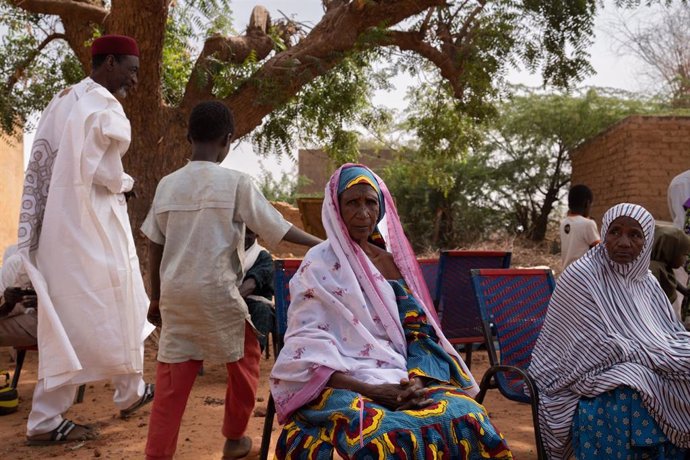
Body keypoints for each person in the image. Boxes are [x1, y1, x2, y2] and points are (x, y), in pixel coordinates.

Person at [269, 164, 513, 459]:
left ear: (381, 208)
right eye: (352, 203)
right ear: (335, 208)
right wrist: (373, 391)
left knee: (469, 416)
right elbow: (305, 349)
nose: (363, 213)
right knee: (381, 437)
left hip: (399, 375)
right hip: (341, 382)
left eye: (370, 203)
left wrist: (416, 382)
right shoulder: (317, 265)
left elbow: (419, 333)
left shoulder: (389, 264)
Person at [141, 101, 322, 460]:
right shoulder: (236, 182)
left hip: (175, 296)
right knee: (246, 360)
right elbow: (278, 228)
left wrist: (156, 298)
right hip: (218, 293)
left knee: (171, 382)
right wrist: (325, 244)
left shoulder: (167, 185)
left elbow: (154, 245)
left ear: (188, 136)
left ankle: (157, 454)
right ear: (228, 139)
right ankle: (235, 438)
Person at [16, 35, 155, 445]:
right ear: (109, 62)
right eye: (130, 69)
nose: (134, 80)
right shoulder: (102, 105)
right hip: (90, 228)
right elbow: (106, 171)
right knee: (87, 316)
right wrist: (127, 183)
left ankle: (131, 391)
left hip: (63, 231)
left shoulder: (65, 99)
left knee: (112, 306)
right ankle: (43, 421)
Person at [530, 203, 690, 459]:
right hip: (572, 370)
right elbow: (589, 345)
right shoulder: (581, 275)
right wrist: (655, 355)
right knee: (640, 379)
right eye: (615, 232)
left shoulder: (646, 280)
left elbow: (667, 330)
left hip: (626, 358)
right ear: (604, 235)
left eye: (635, 235)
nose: (624, 242)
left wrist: (669, 353)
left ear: (646, 240)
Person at [240, 228, 275, 353]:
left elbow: (250, 286)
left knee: (261, 310)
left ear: (257, 234)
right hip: (226, 300)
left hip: (252, 303)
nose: (244, 236)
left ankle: (252, 354)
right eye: (241, 231)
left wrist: (226, 302)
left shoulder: (263, 256)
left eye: (249, 232)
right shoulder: (226, 252)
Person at [0, 246, 37, 348]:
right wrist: (8, 304)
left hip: (51, 322)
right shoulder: (17, 258)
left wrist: (42, 303)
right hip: (27, 313)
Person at [650, 224, 690, 317]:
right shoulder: (653, 270)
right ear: (669, 251)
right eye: (683, 255)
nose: (685, 260)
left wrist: (684, 290)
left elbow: (668, 278)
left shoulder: (663, 266)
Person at [559, 184, 600, 269]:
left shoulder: (563, 223)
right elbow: (600, 249)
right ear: (587, 203)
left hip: (566, 273)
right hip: (581, 275)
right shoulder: (588, 224)